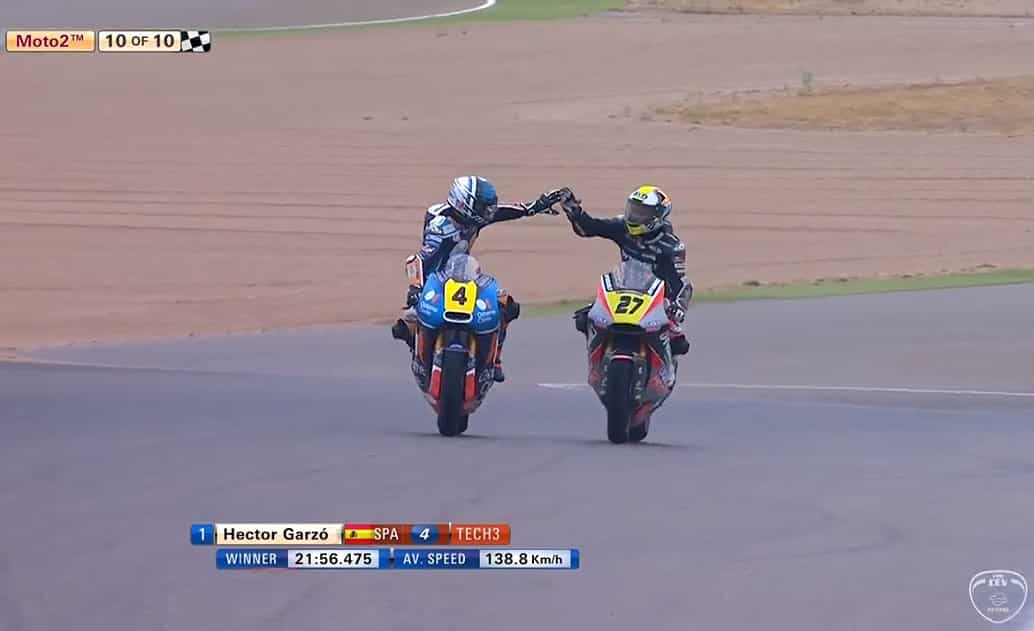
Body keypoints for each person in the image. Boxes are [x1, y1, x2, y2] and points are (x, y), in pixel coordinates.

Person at [391, 175, 569, 382]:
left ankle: (495, 359)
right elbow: (417, 260)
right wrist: (415, 288)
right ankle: (419, 353)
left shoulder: (468, 216)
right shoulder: (440, 228)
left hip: (462, 276)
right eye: (484, 207)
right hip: (432, 284)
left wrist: (534, 207)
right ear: (465, 204)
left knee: (507, 305)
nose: (489, 212)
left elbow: (501, 212)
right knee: (404, 327)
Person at [560, 185, 692, 356]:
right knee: (584, 319)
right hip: (623, 292)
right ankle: (597, 357)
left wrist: (676, 307)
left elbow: (680, 283)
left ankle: (665, 364)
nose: (634, 217)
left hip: (657, 302)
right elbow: (590, 227)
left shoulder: (671, 246)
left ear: (657, 216)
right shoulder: (623, 227)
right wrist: (574, 212)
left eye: (641, 213)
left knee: (679, 344)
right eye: (633, 210)